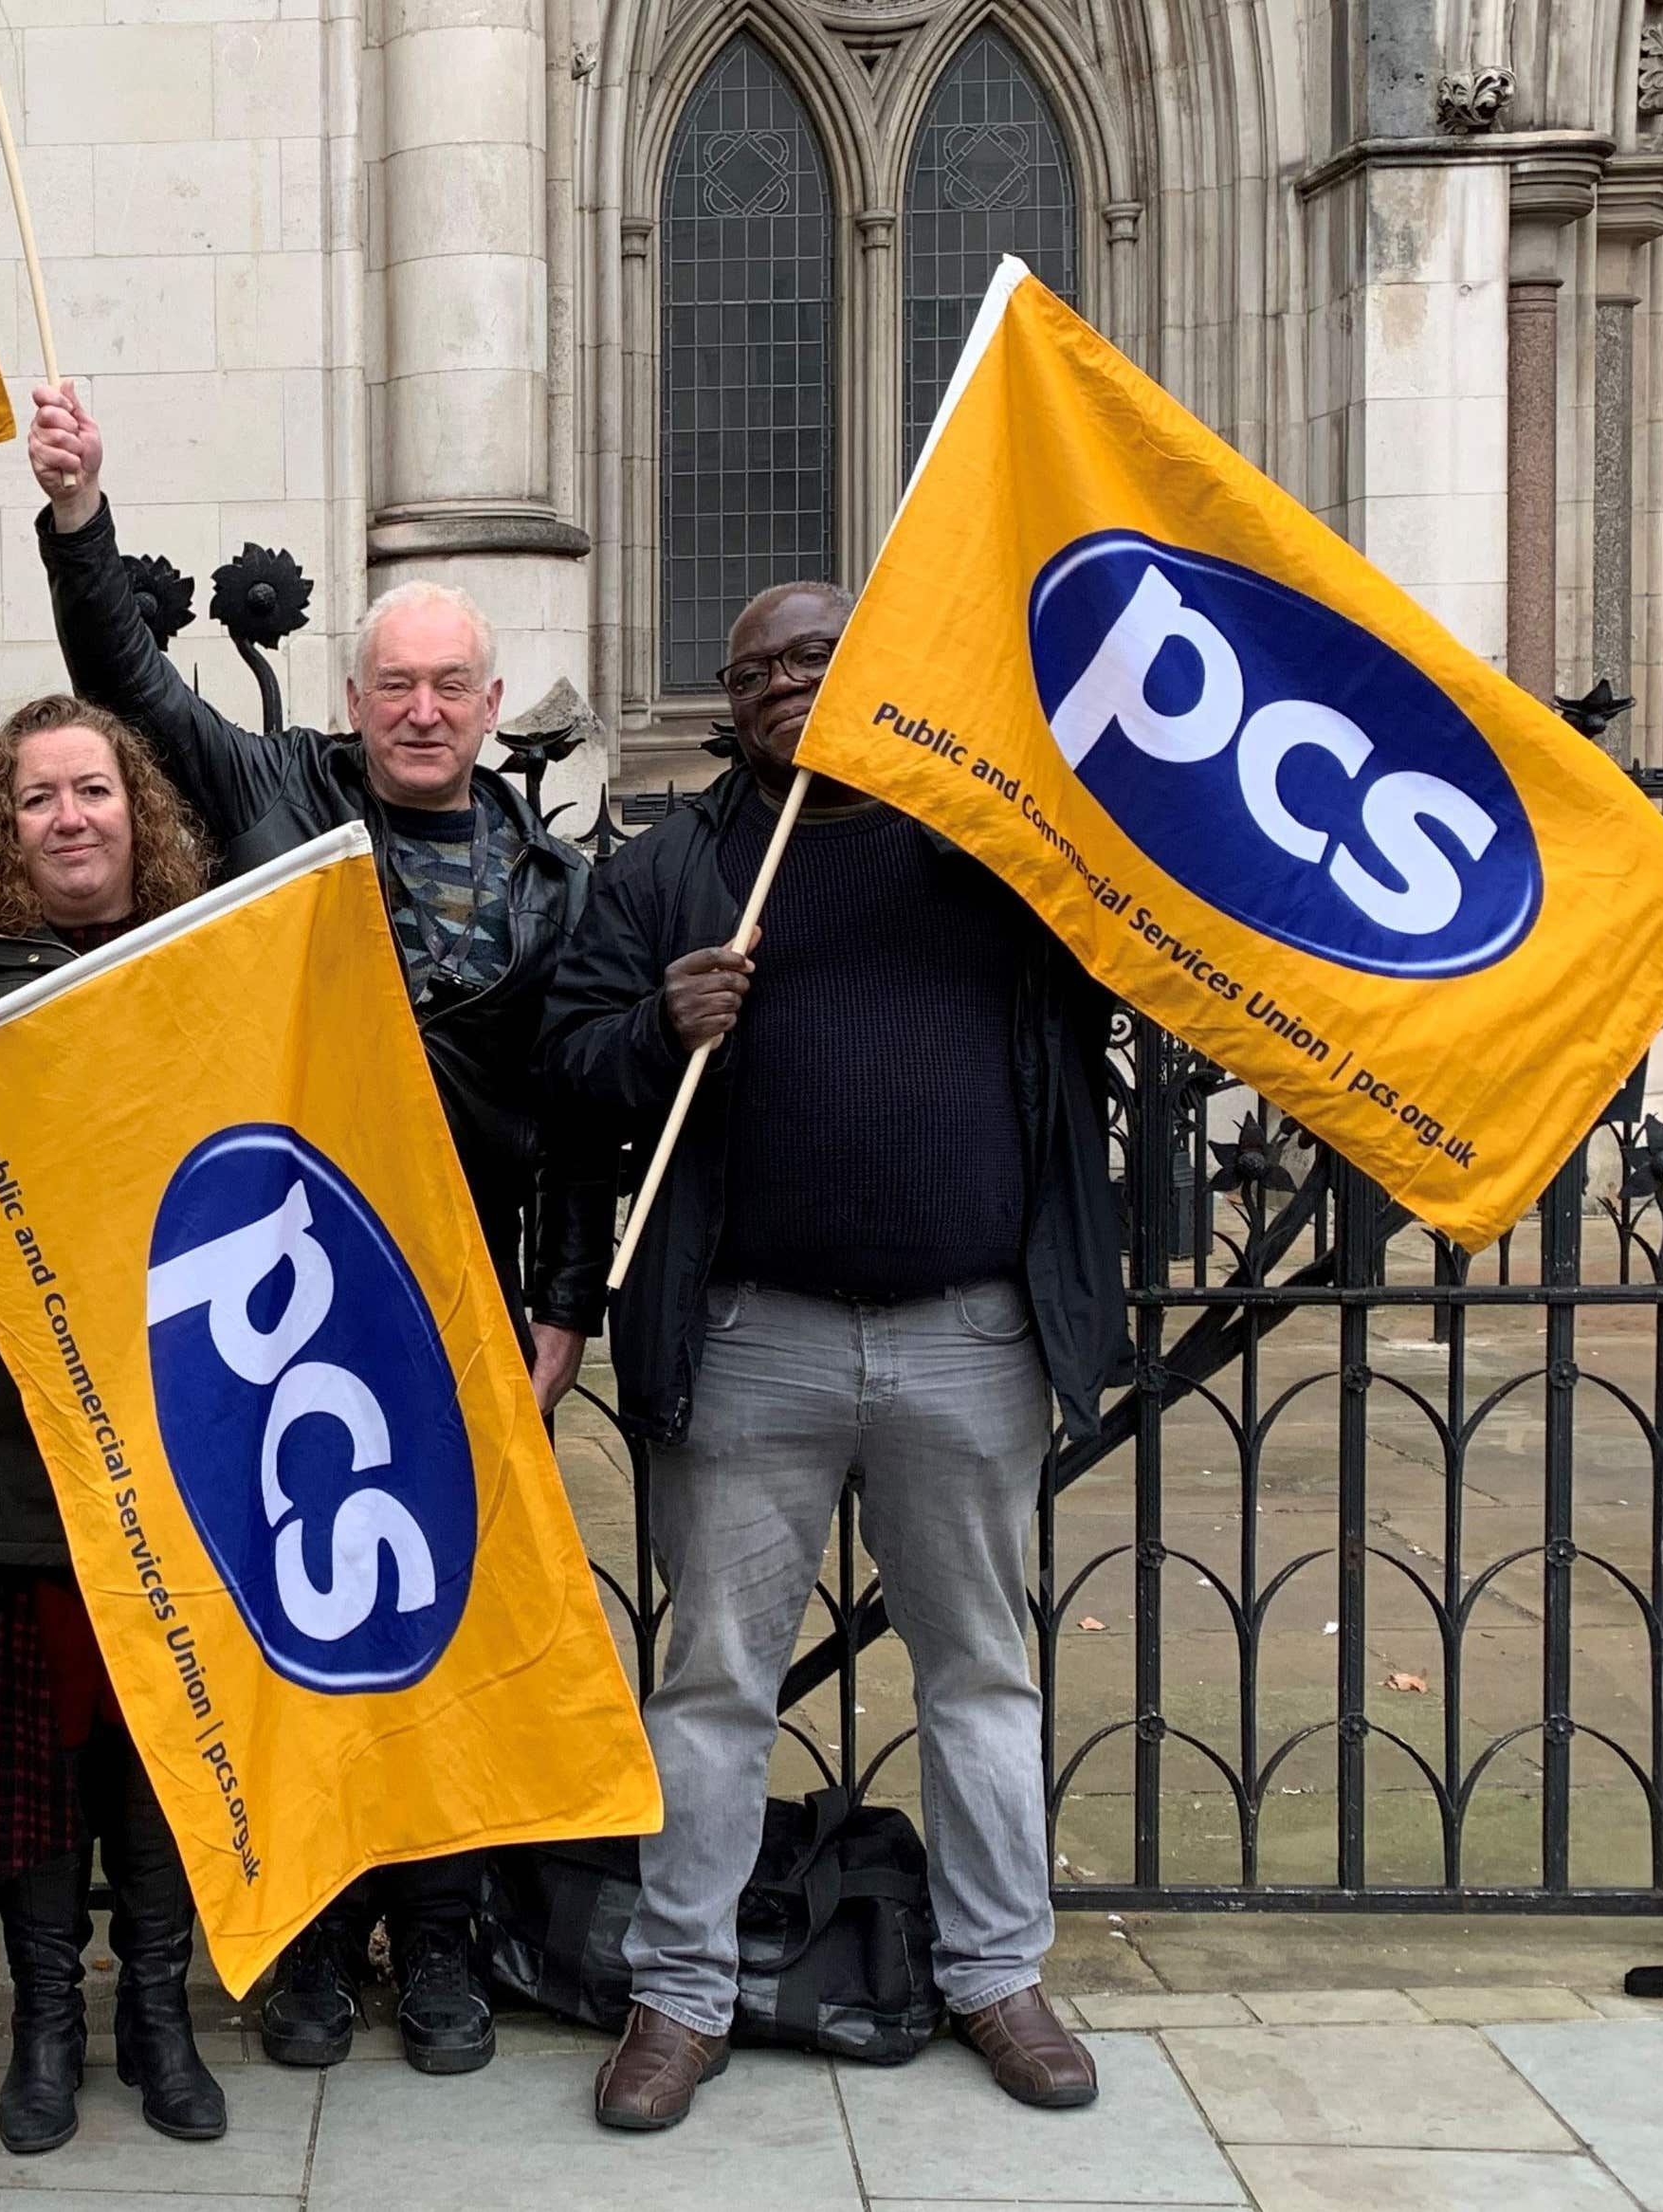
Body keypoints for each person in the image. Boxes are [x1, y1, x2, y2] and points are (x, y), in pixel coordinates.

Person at [25, 381, 608, 2077]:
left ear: (493, 710)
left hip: (472, 1291)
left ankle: (437, 1939)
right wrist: (82, 518)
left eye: (450, 686)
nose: (421, 708)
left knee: (445, 1622)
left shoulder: (557, 887)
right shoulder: (272, 790)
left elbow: (583, 1117)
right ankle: (308, 1941)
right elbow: (129, 683)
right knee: (292, 1608)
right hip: (288, 1274)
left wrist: (563, 1303)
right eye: (393, 683)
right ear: (355, 699)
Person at [542, 581, 1122, 2130]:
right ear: (726, 704)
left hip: (968, 1335)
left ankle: (997, 1970)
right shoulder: (677, 871)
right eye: (755, 669)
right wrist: (661, 1025)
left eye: (818, 653)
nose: (789, 680)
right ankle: (682, 1991)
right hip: (753, 1339)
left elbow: (1130, 973)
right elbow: (575, 1072)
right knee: (715, 1682)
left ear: (878, 661)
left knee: (981, 1670)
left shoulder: (990, 843)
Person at [0, 696, 225, 2155]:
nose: (71, 816)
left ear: (136, 809)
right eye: (38, 798)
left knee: (162, 1732)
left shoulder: (210, 957)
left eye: (95, 789)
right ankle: (45, 2020)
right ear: (0, 826)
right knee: (37, 1736)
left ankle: (158, 2005)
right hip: (14, 1430)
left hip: (182, 1411)